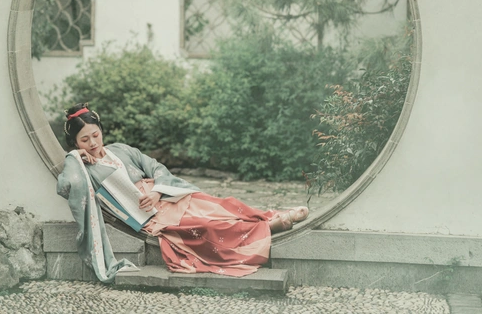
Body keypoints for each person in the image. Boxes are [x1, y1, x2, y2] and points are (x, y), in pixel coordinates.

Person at [56, 103, 309, 283]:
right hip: (149, 214)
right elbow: (65, 185)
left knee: (221, 205)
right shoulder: (84, 168)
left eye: (95, 135)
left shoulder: (121, 149)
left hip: (165, 196)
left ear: (101, 131)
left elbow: (155, 167)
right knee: (205, 226)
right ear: (75, 143)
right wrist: (74, 157)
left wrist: (157, 192)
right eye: (84, 140)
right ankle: (269, 228)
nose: (93, 143)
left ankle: (266, 218)